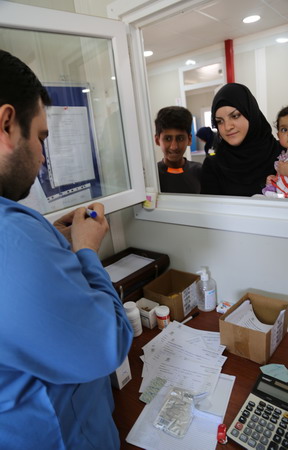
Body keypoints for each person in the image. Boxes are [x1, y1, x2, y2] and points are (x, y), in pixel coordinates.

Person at [0, 50, 133, 449]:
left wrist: (51, 242)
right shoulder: (14, 237)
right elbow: (108, 343)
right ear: (7, 124)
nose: (43, 156)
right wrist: (86, 251)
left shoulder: (21, 232)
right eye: (40, 137)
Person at [200, 83, 282, 196]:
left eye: (235, 116)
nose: (227, 127)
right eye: (220, 121)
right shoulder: (213, 165)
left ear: (251, 114)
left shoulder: (284, 153)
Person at [155, 106, 202, 193]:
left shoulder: (200, 171)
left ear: (189, 140)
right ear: (157, 140)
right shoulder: (153, 176)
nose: (174, 146)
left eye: (180, 138)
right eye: (168, 139)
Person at [263, 104, 288, 198]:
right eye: (284, 129)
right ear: (278, 136)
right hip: (285, 202)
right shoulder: (285, 156)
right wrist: (274, 182)